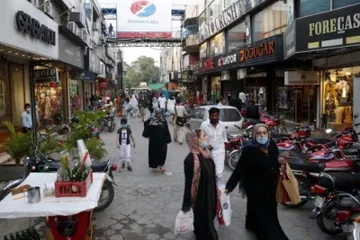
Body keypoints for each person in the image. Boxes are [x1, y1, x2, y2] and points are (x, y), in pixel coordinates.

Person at [225, 123, 289, 240]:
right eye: (258, 133)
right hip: (255, 188)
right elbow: (239, 169)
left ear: (269, 134)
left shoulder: (272, 145)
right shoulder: (249, 150)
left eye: (264, 133)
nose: (262, 135)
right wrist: (229, 187)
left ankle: (251, 225)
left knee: (267, 210)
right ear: (254, 134)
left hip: (271, 185)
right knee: (263, 212)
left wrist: (280, 161)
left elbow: (273, 161)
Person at [182, 130, 218, 240]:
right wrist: (186, 205)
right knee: (204, 229)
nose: (206, 138)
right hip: (200, 201)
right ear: (195, 140)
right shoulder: (190, 160)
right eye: (204, 136)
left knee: (209, 223)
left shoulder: (206, 153)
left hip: (210, 196)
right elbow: (188, 184)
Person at [200, 107, 227, 184]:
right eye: (213, 116)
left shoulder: (222, 125)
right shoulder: (204, 125)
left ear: (218, 116)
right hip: (208, 153)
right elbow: (201, 139)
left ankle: (218, 189)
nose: (214, 117)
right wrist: (206, 145)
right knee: (210, 172)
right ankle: (211, 190)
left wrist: (224, 150)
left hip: (220, 151)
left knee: (219, 173)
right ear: (209, 116)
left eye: (216, 116)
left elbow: (224, 138)